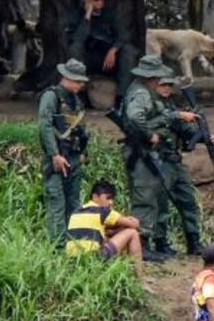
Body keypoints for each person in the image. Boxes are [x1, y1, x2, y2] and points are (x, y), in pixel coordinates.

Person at [119, 56, 200, 261]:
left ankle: (156, 243)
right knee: (145, 198)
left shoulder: (148, 94)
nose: (162, 84)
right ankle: (142, 245)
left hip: (152, 154)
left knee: (156, 198)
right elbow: (135, 117)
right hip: (141, 152)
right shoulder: (140, 93)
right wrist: (149, 134)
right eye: (159, 79)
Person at [39, 59, 90, 246]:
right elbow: (45, 126)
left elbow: (82, 128)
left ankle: (73, 244)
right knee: (56, 201)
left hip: (74, 156)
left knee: (73, 202)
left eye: (81, 81)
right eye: (77, 81)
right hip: (57, 157)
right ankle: (57, 246)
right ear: (66, 77)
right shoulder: (51, 97)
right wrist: (54, 154)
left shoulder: (75, 100)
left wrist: (84, 151)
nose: (80, 84)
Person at [62, 0, 139, 106]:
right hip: (88, 59)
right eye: (95, 0)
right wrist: (87, 16)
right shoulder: (77, 16)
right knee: (75, 49)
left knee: (129, 51)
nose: (100, 4)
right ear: (85, 0)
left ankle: (122, 97)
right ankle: (79, 94)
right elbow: (78, 39)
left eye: (101, 0)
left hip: (108, 59)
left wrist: (113, 50)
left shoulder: (110, 15)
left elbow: (124, 35)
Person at [153, 74, 204, 257]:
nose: (166, 88)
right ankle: (160, 242)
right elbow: (165, 120)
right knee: (161, 204)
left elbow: (185, 130)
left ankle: (194, 241)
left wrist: (202, 136)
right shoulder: (152, 105)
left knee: (188, 199)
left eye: (169, 85)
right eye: (162, 85)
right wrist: (181, 116)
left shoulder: (170, 105)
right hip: (159, 159)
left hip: (175, 159)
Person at [64, 179, 143, 267]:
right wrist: (130, 219)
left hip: (72, 261)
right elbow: (134, 225)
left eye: (112, 199)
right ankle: (139, 277)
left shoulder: (76, 211)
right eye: (108, 198)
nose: (111, 202)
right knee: (132, 232)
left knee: (108, 236)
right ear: (95, 197)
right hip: (92, 258)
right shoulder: (103, 211)